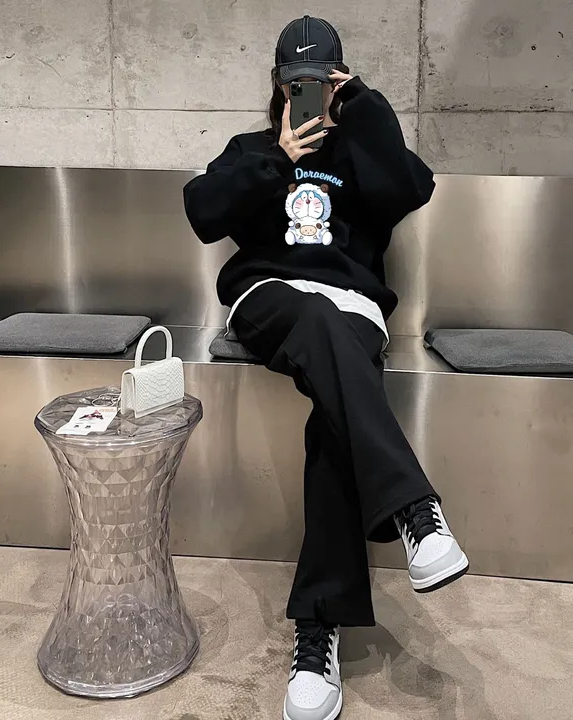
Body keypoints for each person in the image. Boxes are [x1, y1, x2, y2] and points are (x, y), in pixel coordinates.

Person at [184, 15, 469, 720]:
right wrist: (277, 157)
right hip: (271, 299)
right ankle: (413, 509)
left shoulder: (360, 153)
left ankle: (318, 633)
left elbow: (411, 187)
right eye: (296, 84)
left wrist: (363, 105)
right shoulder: (252, 149)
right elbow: (203, 211)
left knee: (334, 425)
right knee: (315, 319)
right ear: (277, 85)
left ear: (339, 83)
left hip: (352, 309)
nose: (307, 94)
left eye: (322, 83)